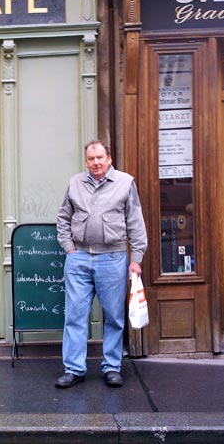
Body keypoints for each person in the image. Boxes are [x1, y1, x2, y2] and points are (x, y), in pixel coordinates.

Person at [55, 140, 147, 388]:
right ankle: (74, 369)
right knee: (74, 316)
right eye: (91, 158)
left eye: (99, 158)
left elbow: (135, 222)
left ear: (109, 159)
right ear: (86, 161)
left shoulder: (125, 183)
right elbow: (63, 218)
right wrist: (69, 248)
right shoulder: (75, 183)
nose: (95, 162)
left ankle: (112, 367)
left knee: (114, 317)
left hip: (113, 258)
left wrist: (136, 259)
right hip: (79, 258)